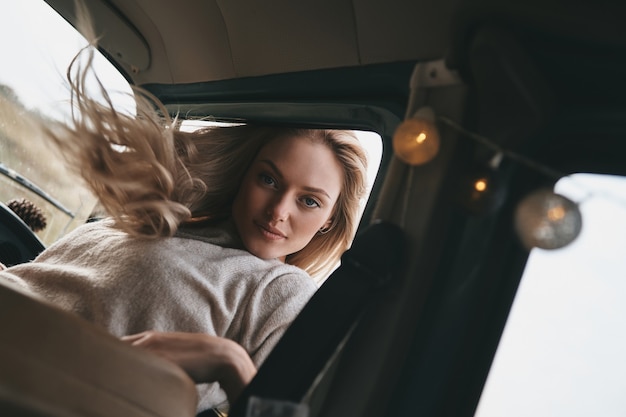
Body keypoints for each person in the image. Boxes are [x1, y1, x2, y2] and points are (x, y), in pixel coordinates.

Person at [0, 16, 369, 412]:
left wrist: (230, 364)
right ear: (246, 174)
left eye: (309, 201)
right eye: (269, 179)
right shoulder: (162, 221)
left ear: (330, 220)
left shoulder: (282, 292)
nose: (278, 210)